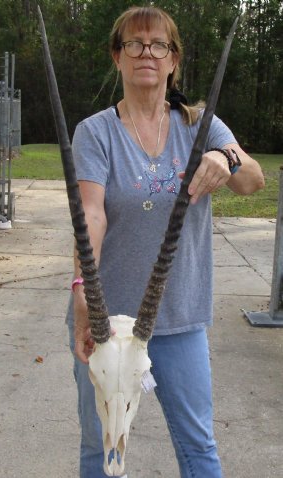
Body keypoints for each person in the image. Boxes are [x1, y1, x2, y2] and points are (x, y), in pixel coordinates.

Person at [66, 6, 264, 478]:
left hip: (179, 317)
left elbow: (253, 181)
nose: (146, 53)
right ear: (118, 56)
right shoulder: (95, 132)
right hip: (106, 317)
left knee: (198, 446)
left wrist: (224, 158)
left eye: (158, 45)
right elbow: (90, 212)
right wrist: (79, 291)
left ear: (174, 59)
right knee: (102, 446)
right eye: (134, 44)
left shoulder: (201, 125)